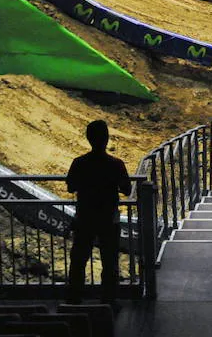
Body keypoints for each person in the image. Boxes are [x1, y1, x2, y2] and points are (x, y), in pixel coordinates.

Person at [65, 119, 134, 306]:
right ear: (107, 139)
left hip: (85, 217)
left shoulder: (79, 163)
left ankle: (74, 298)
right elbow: (127, 189)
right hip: (108, 219)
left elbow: (71, 187)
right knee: (110, 261)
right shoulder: (116, 164)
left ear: (88, 138)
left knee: (78, 260)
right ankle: (109, 299)